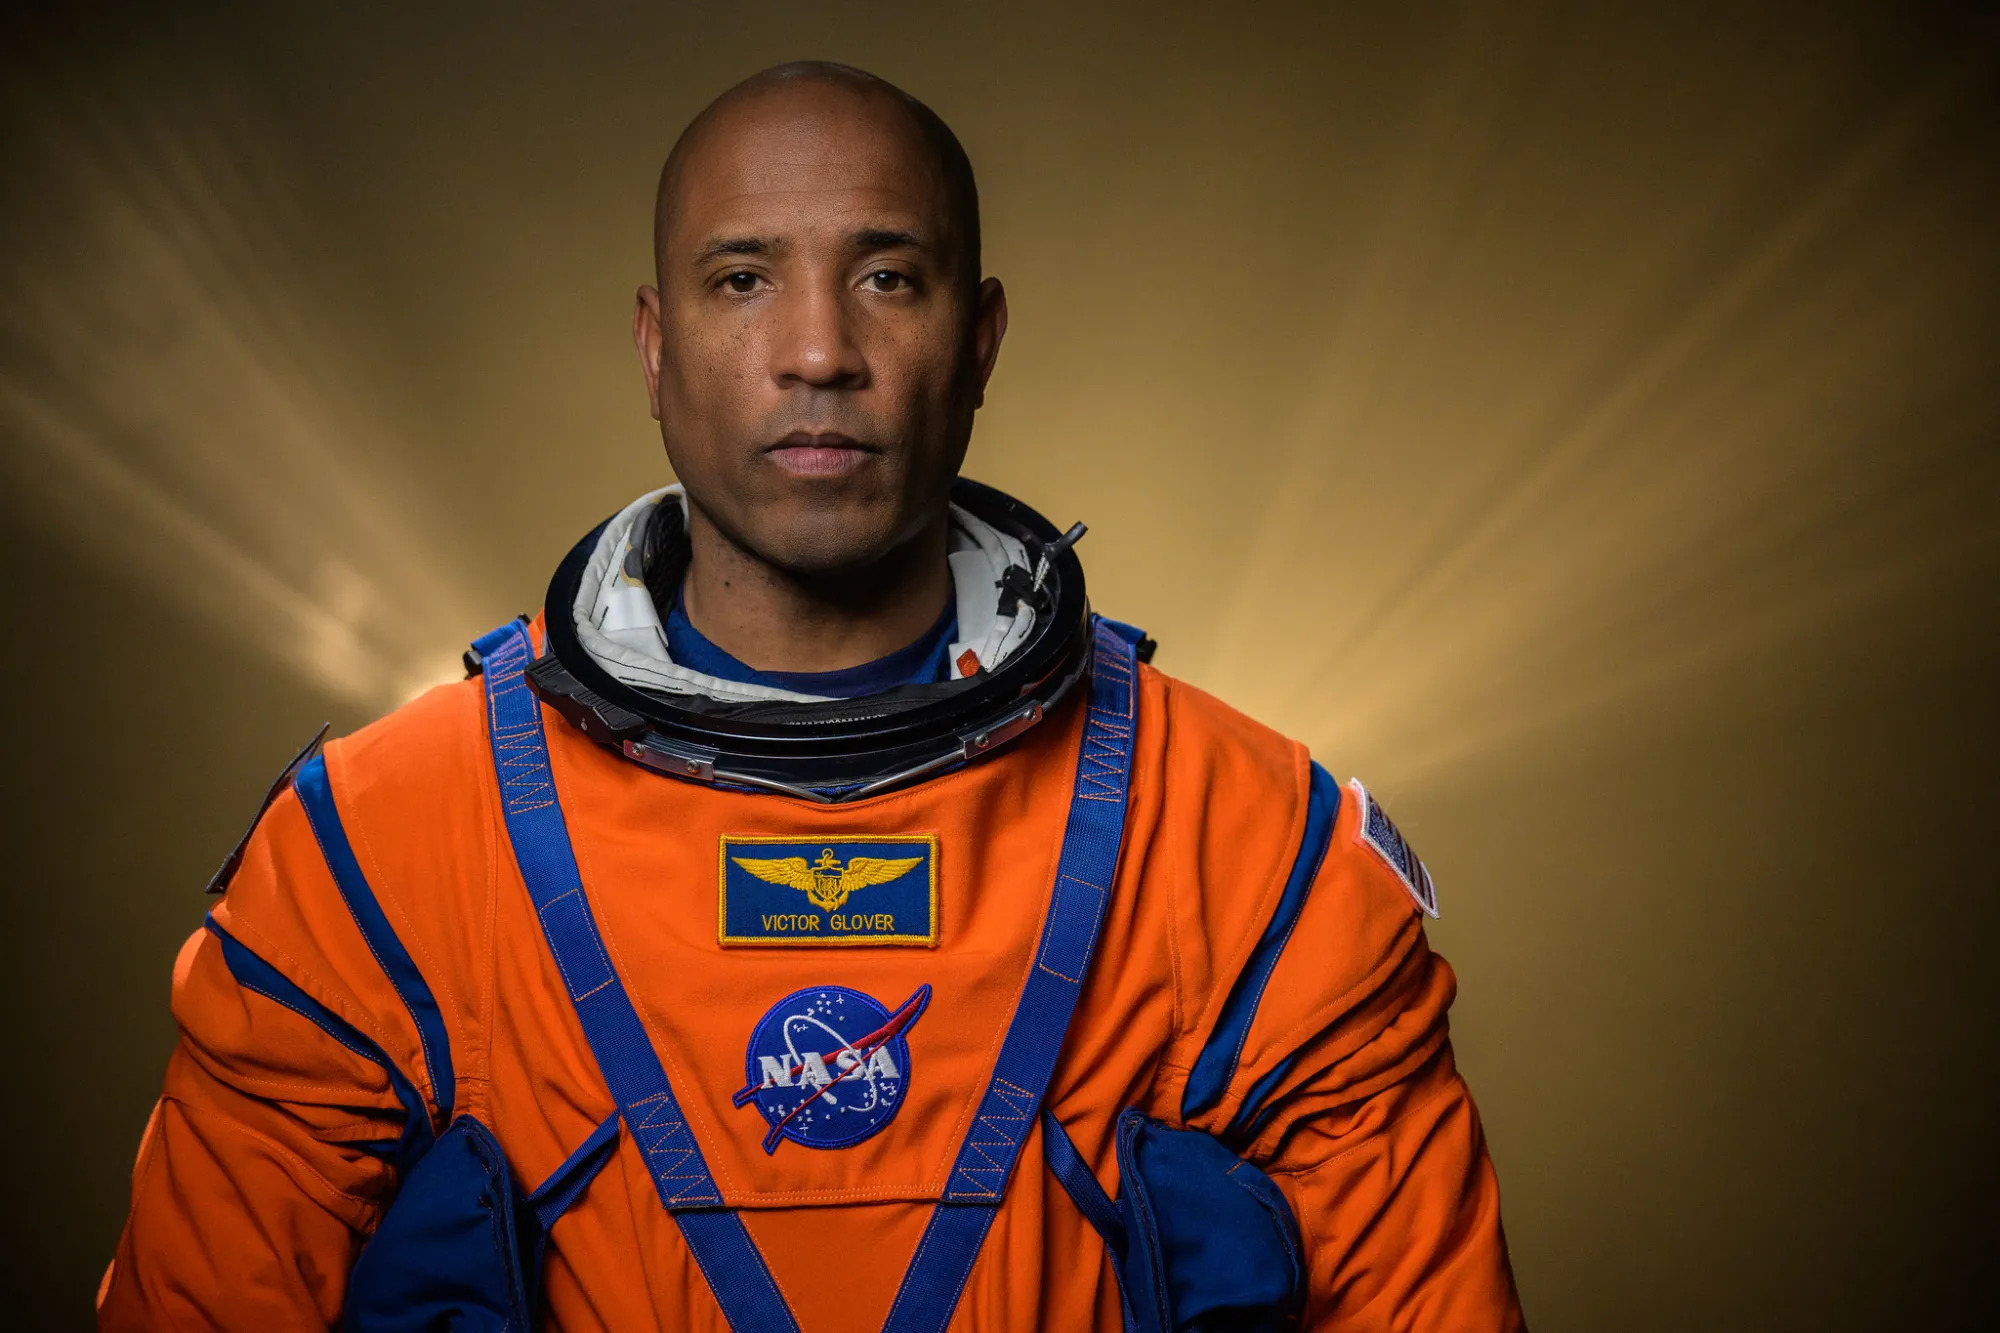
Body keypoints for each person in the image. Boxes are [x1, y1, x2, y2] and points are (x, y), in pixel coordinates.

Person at [98, 61, 1524, 1331]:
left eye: (888, 275)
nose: (818, 350)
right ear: (655, 349)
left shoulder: (1248, 852)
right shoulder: (375, 857)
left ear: (980, 339)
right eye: (743, 279)